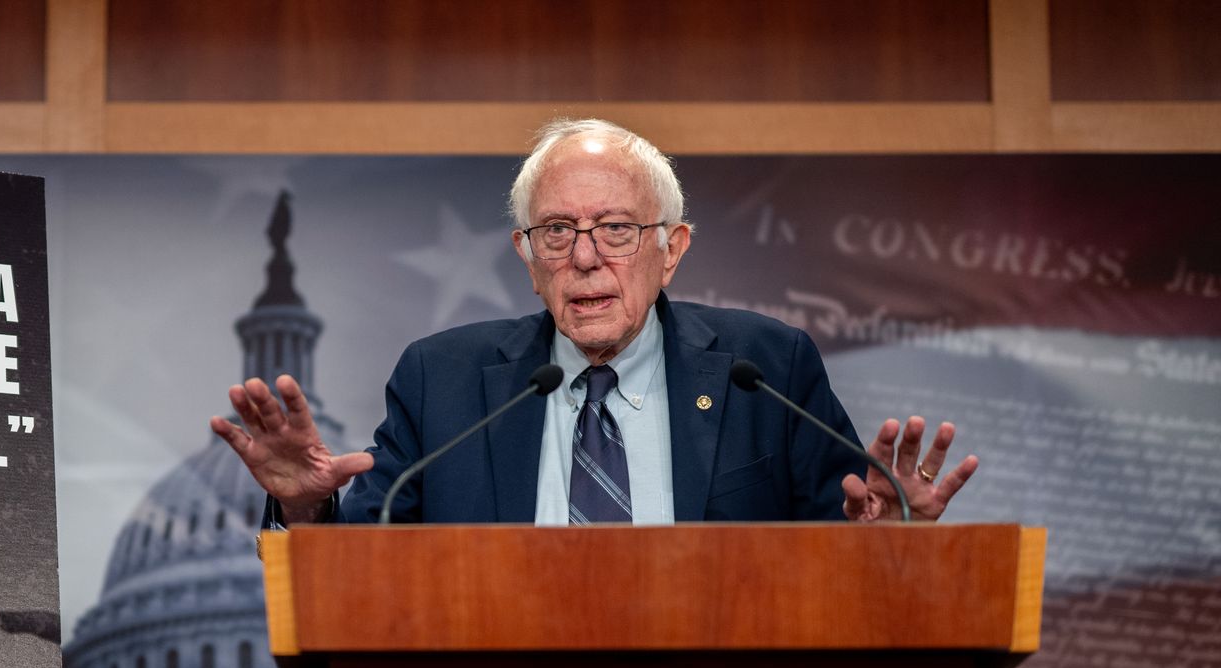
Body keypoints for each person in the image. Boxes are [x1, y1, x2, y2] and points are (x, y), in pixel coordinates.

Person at [210, 117, 979, 525]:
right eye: (555, 232)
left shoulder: (767, 370)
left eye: (616, 229)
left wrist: (888, 547)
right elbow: (365, 574)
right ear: (526, 255)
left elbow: (840, 549)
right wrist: (306, 508)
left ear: (671, 250)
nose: (584, 257)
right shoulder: (441, 381)